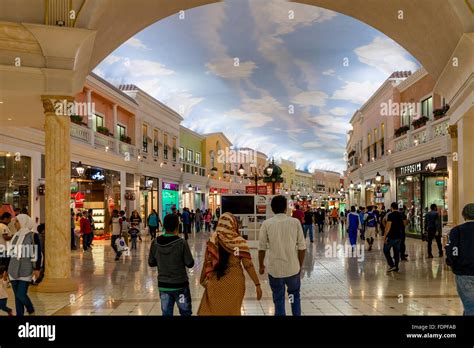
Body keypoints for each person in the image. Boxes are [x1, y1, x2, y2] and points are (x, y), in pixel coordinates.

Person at [198, 213, 261, 315]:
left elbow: (207, 262)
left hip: (216, 281)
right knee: (233, 311)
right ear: (234, 224)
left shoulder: (213, 240)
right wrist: (257, 284)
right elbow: (248, 265)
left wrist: (203, 280)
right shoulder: (239, 242)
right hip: (235, 282)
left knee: (215, 311)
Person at [258, 195, 306, 316]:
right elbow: (302, 247)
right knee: (293, 296)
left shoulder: (267, 224)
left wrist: (261, 265)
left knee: (278, 299)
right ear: (286, 208)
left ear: (272, 209)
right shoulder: (295, 223)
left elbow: (261, 248)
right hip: (292, 270)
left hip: (275, 271)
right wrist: (299, 265)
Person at [148, 213, 194, 316]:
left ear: (163, 226)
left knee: (166, 313)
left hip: (164, 285)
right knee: (185, 312)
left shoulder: (155, 243)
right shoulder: (181, 243)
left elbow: (151, 263)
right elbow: (190, 263)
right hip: (180, 285)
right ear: (177, 226)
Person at [7, 214, 42, 316]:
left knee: (21, 294)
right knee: (17, 297)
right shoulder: (15, 236)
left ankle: (30, 309)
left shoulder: (33, 235)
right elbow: (10, 254)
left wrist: (37, 268)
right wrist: (5, 270)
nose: (15, 223)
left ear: (23, 222)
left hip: (26, 269)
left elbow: (37, 252)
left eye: (17, 221)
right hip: (13, 268)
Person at [445, 203, 474, 315]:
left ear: (464, 215)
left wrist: (452, 263)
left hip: (464, 273)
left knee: (470, 306)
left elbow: (452, 251)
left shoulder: (457, 231)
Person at [383, 202, 404, 272]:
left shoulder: (391, 215)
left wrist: (385, 236)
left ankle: (392, 265)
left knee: (385, 250)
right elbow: (404, 224)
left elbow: (388, 226)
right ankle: (396, 266)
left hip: (391, 236)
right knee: (396, 252)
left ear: (391, 207)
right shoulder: (401, 214)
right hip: (399, 236)